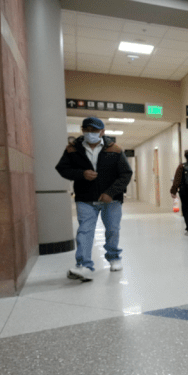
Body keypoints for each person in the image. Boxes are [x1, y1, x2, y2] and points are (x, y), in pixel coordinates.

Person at [55, 116, 133, 281]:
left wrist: (111, 192)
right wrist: (81, 174)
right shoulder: (72, 149)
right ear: (82, 130)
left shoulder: (115, 149)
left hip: (111, 200)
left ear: (102, 132)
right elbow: (62, 168)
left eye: (95, 131)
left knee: (112, 229)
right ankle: (84, 265)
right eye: (88, 130)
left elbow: (126, 174)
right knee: (85, 230)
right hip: (85, 197)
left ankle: (113, 257)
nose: (91, 133)